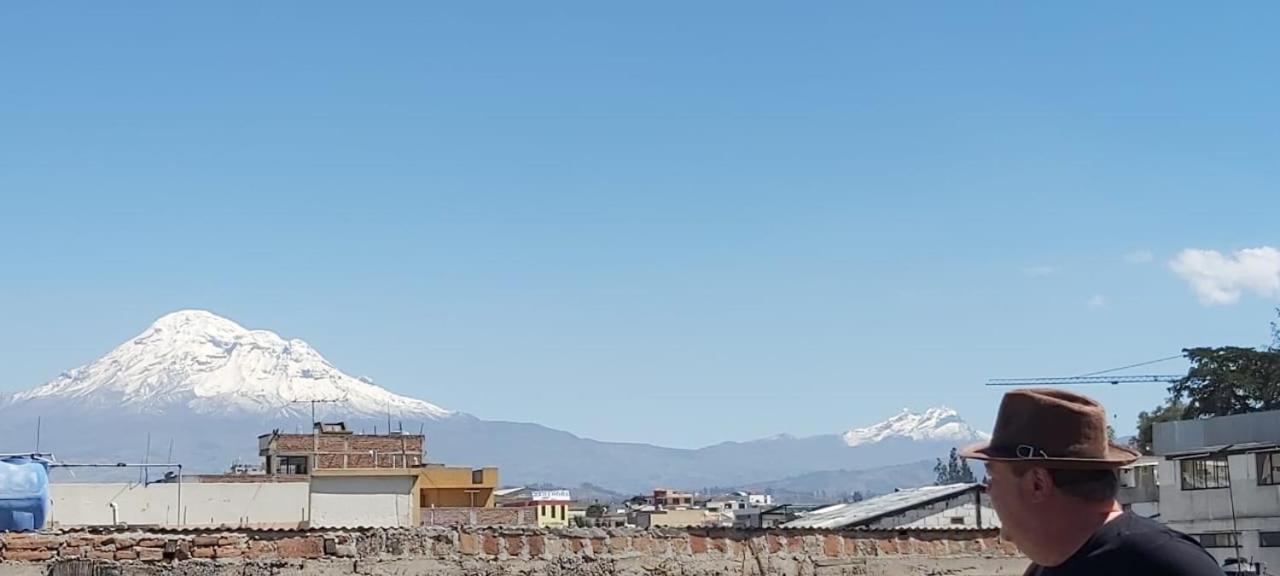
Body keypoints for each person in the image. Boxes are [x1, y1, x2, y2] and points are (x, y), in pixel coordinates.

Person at [960, 389, 1224, 576]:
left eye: (992, 477)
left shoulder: (1168, 564)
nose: (988, 491)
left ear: (1037, 483)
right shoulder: (1045, 568)